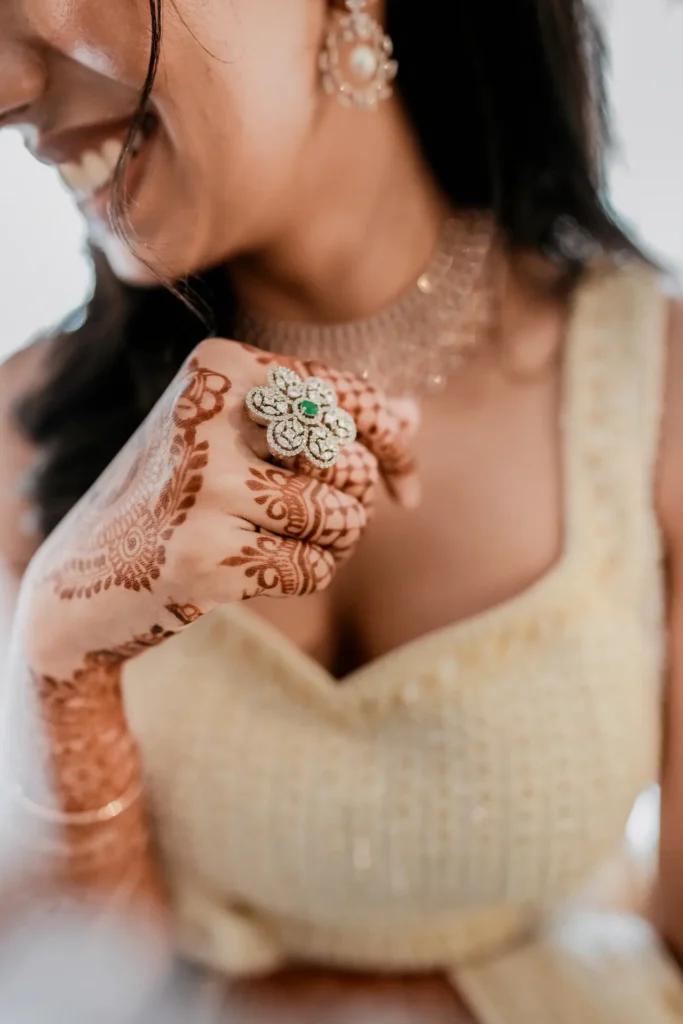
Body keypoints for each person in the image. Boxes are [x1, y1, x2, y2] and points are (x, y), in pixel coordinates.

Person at [1, 0, 683, 1020]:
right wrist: (62, 645)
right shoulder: (24, 440)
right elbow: (74, 992)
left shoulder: (653, 394)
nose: (5, 89)